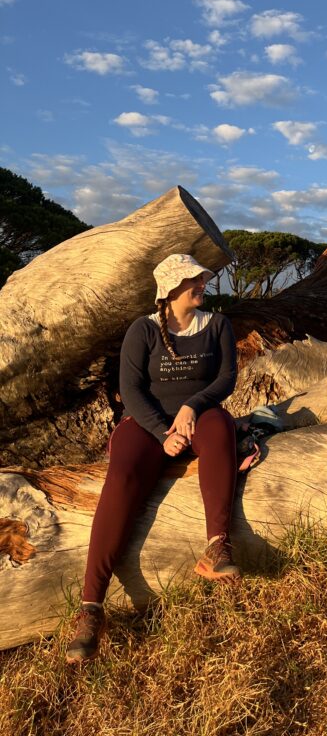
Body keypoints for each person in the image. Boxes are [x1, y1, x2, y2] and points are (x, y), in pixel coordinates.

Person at [66, 253, 240, 665]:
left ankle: (217, 547)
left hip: (201, 417)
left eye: (200, 278)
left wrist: (193, 407)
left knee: (222, 429)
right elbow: (131, 388)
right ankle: (91, 608)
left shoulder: (217, 325)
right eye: (192, 280)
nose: (201, 285)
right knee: (122, 475)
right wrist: (163, 434)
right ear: (171, 288)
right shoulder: (142, 330)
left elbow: (227, 378)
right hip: (147, 424)